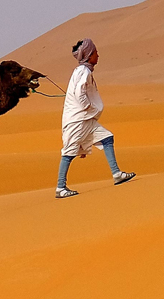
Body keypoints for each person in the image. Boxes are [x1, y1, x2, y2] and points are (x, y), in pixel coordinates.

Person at [56, 39, 136, 199]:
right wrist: (87, 107)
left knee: (107, 138)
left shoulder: (82, 71)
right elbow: (80, 94)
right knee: (69, 153)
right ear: (88, 55)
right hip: (78, 120)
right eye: (95, 53)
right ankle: (60, 188)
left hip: (86, 120)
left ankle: (117, 174)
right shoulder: (83, 72)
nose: (98, 55)